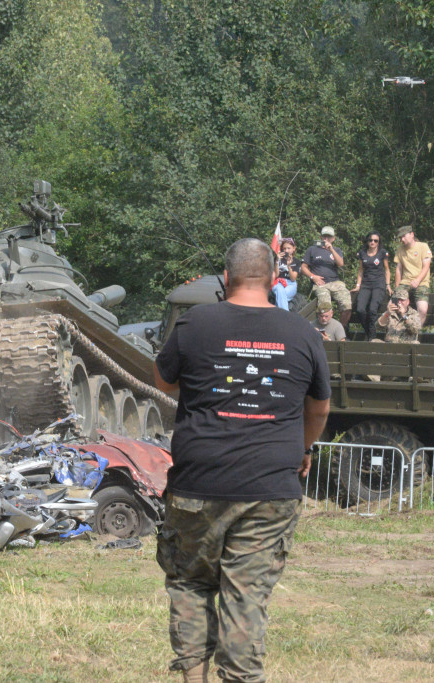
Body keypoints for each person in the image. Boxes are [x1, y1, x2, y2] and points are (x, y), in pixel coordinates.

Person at [153, 237, 331, 683]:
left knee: (191, 585)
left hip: (197, 482)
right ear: (274, 280)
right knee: (245, 596)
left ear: (226, 278)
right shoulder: (304, 334)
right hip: (270, 488)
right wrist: (305, 449)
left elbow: (164, 380)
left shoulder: (195, 323)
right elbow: (320, 408)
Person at [301, 226, 351, 328]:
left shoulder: (336, 250)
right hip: (320, 284)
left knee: (347, 305)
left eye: (329, 237)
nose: (326, 239)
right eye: (324, 236)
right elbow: (303, 267)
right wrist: (313, 277)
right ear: (321, 237)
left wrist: (331, 249)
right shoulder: (312, 249)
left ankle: (341, 329)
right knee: (325, 308)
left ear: (333, 238)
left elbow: (341, 263)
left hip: (335, 283)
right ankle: (325, 331)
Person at [351, 231, 392, 341]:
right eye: (370, 240)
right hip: (366, 284)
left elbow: (387, 270)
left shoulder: (382, 253)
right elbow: (360, 270)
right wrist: (358, 285)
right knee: (360, 309)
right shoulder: (362, 253)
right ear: (367, 241)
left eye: (375, 240)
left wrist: (388, 285)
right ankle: (369, 332)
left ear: (378, 242)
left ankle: (372, 337)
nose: (372, 242)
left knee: (373, 309)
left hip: (379, 283)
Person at [392, 225, 432, 326]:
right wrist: (397, 288)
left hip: (422, 283)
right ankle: (397, 331)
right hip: (405, 283)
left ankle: (415, 334)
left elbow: (426, 267)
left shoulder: (423, 246)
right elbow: (398, 269)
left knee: (422, 310)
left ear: (412, 234)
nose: (402, 239)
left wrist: (418, 280)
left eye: (404, 236)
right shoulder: (400, 249)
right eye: (400, 237)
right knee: (392, 306)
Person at [271, 237, 301, 311]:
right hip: (279, 282)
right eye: (284, 248)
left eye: (289, 248)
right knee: (279, 290)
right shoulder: (278, 259)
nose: (286, 250)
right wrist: (277, 261)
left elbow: (293, 278)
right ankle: (286, 316)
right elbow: (276, 275)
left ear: (294, 248)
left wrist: (289, 266)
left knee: (281, 295)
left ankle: (278, 313)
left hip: (290, 283)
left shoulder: (297, 261)